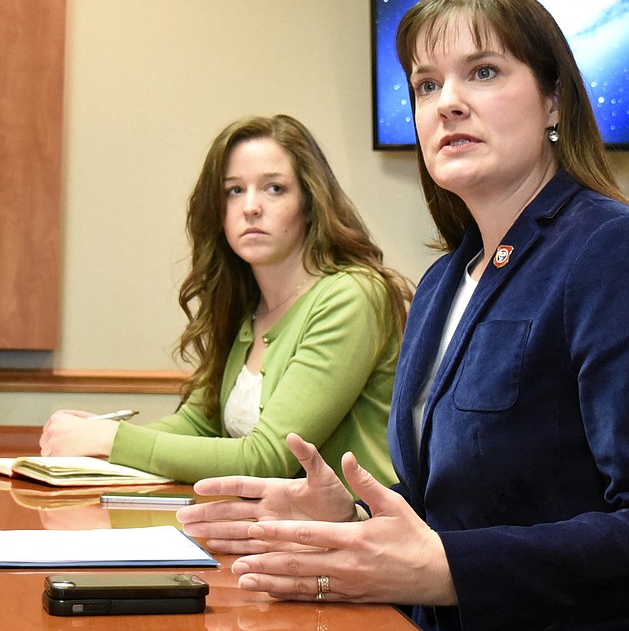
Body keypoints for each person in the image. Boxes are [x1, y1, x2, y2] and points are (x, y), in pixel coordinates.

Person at [176, 0, 629, 630]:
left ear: (554, 100)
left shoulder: (622, 253)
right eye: (427, 85)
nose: (448, 104)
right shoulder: (441, 281)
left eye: (483, 72)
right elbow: (449, 510)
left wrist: (447, 566)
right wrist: (350, 519)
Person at [39, 114, 412, 487]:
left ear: (310, 203)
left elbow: (269, 458)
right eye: (234, 190)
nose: (250, 206)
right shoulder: (248, 303)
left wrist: (112, 441)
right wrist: (96, 437)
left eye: (274, 188)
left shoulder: (352, 295)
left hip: (354, 533)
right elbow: (199, 422)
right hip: (266, 527)